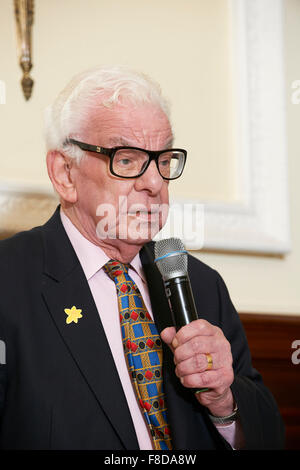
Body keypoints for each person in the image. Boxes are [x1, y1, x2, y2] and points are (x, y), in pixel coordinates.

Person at [0, 65, 284, 450]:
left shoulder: (199, 283)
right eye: (127, 159)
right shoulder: (9, 281)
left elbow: (268, 438)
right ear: (65, 173)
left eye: (163, 159)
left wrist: (223, 401)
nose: (154, 183)